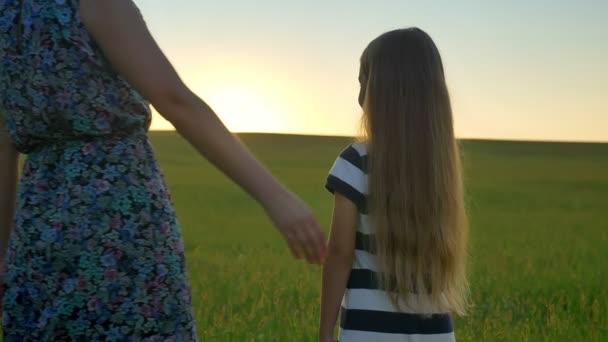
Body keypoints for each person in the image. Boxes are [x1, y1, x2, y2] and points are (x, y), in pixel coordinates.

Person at [0, 0, 326, 340]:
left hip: (37, 219)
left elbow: (3, 140)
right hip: (117, 210)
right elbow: (175, 100)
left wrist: (3, 254)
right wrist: (277, 198)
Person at [319, 28, 469, 342]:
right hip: (437, 334)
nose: (359, 96)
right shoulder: (440, 170)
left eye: (363, 81)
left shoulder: (355, 161)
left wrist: (324, 332)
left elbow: (339, 254)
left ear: (381, 91)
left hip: (366, 333)